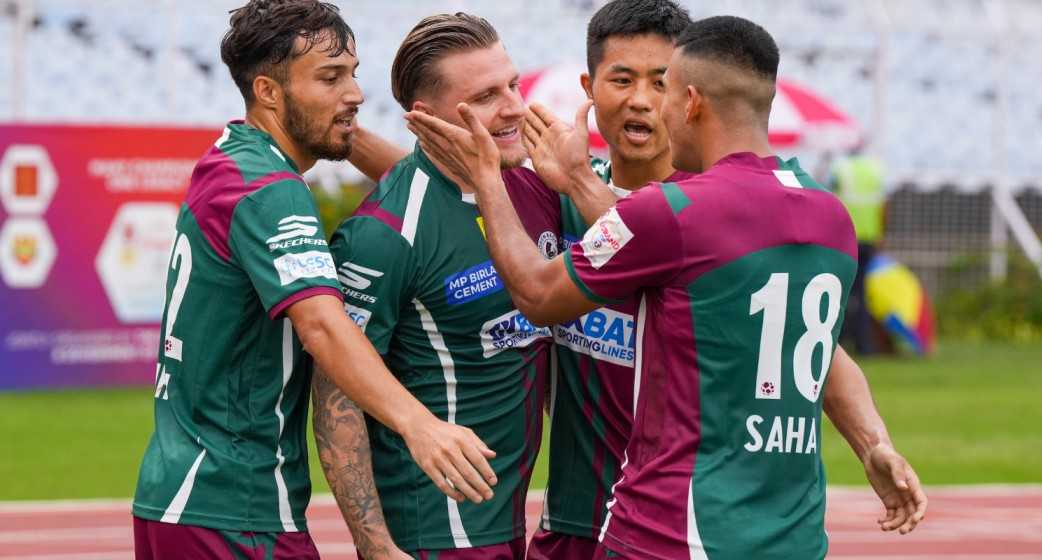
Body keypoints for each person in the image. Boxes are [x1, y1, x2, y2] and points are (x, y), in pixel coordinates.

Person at [406, 15, 927, 559]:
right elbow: (806, 344)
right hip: (760, 533)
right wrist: (875, 445)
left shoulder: (675, 210)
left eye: (664, 86)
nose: (648, 103)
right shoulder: (828, 214)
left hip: (668, 530)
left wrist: (488, 173)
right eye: (624, 80)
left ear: (691, 101)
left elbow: (544, 291)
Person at [132, 3, 497, 559]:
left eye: (353, 72)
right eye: (330, 78)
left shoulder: (232, 160)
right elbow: (322, 327)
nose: (354, 93)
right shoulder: (274, 191)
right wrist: (420, 426)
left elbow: (395, 173)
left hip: (189, 493)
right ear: (269, 93)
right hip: (235, 506)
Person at [315, 13, 560, 559]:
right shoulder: (382, 235)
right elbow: (338, 398)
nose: (516, 106)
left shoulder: (536, 185)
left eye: (514, 85)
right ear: (426, 119)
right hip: (434, 533)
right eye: (488, 95)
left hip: (519, 523)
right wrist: (376, 546)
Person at [830, 149, 887, 355]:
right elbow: (883, 206)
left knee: (841, 292)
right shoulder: (875, 169)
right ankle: (864, 345)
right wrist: (880, 234)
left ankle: (840, 343)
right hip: (868, 240)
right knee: (861, 294)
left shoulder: (839, 168)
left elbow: (830, 201)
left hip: (844, 238)